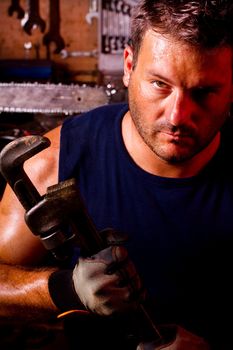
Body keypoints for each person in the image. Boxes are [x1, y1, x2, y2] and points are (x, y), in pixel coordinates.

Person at [0, 0, 233, 348]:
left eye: (204, 92)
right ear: (128, 66)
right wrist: (65, 289)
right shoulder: (53, 163)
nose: (178, 115)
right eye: (160, 84)